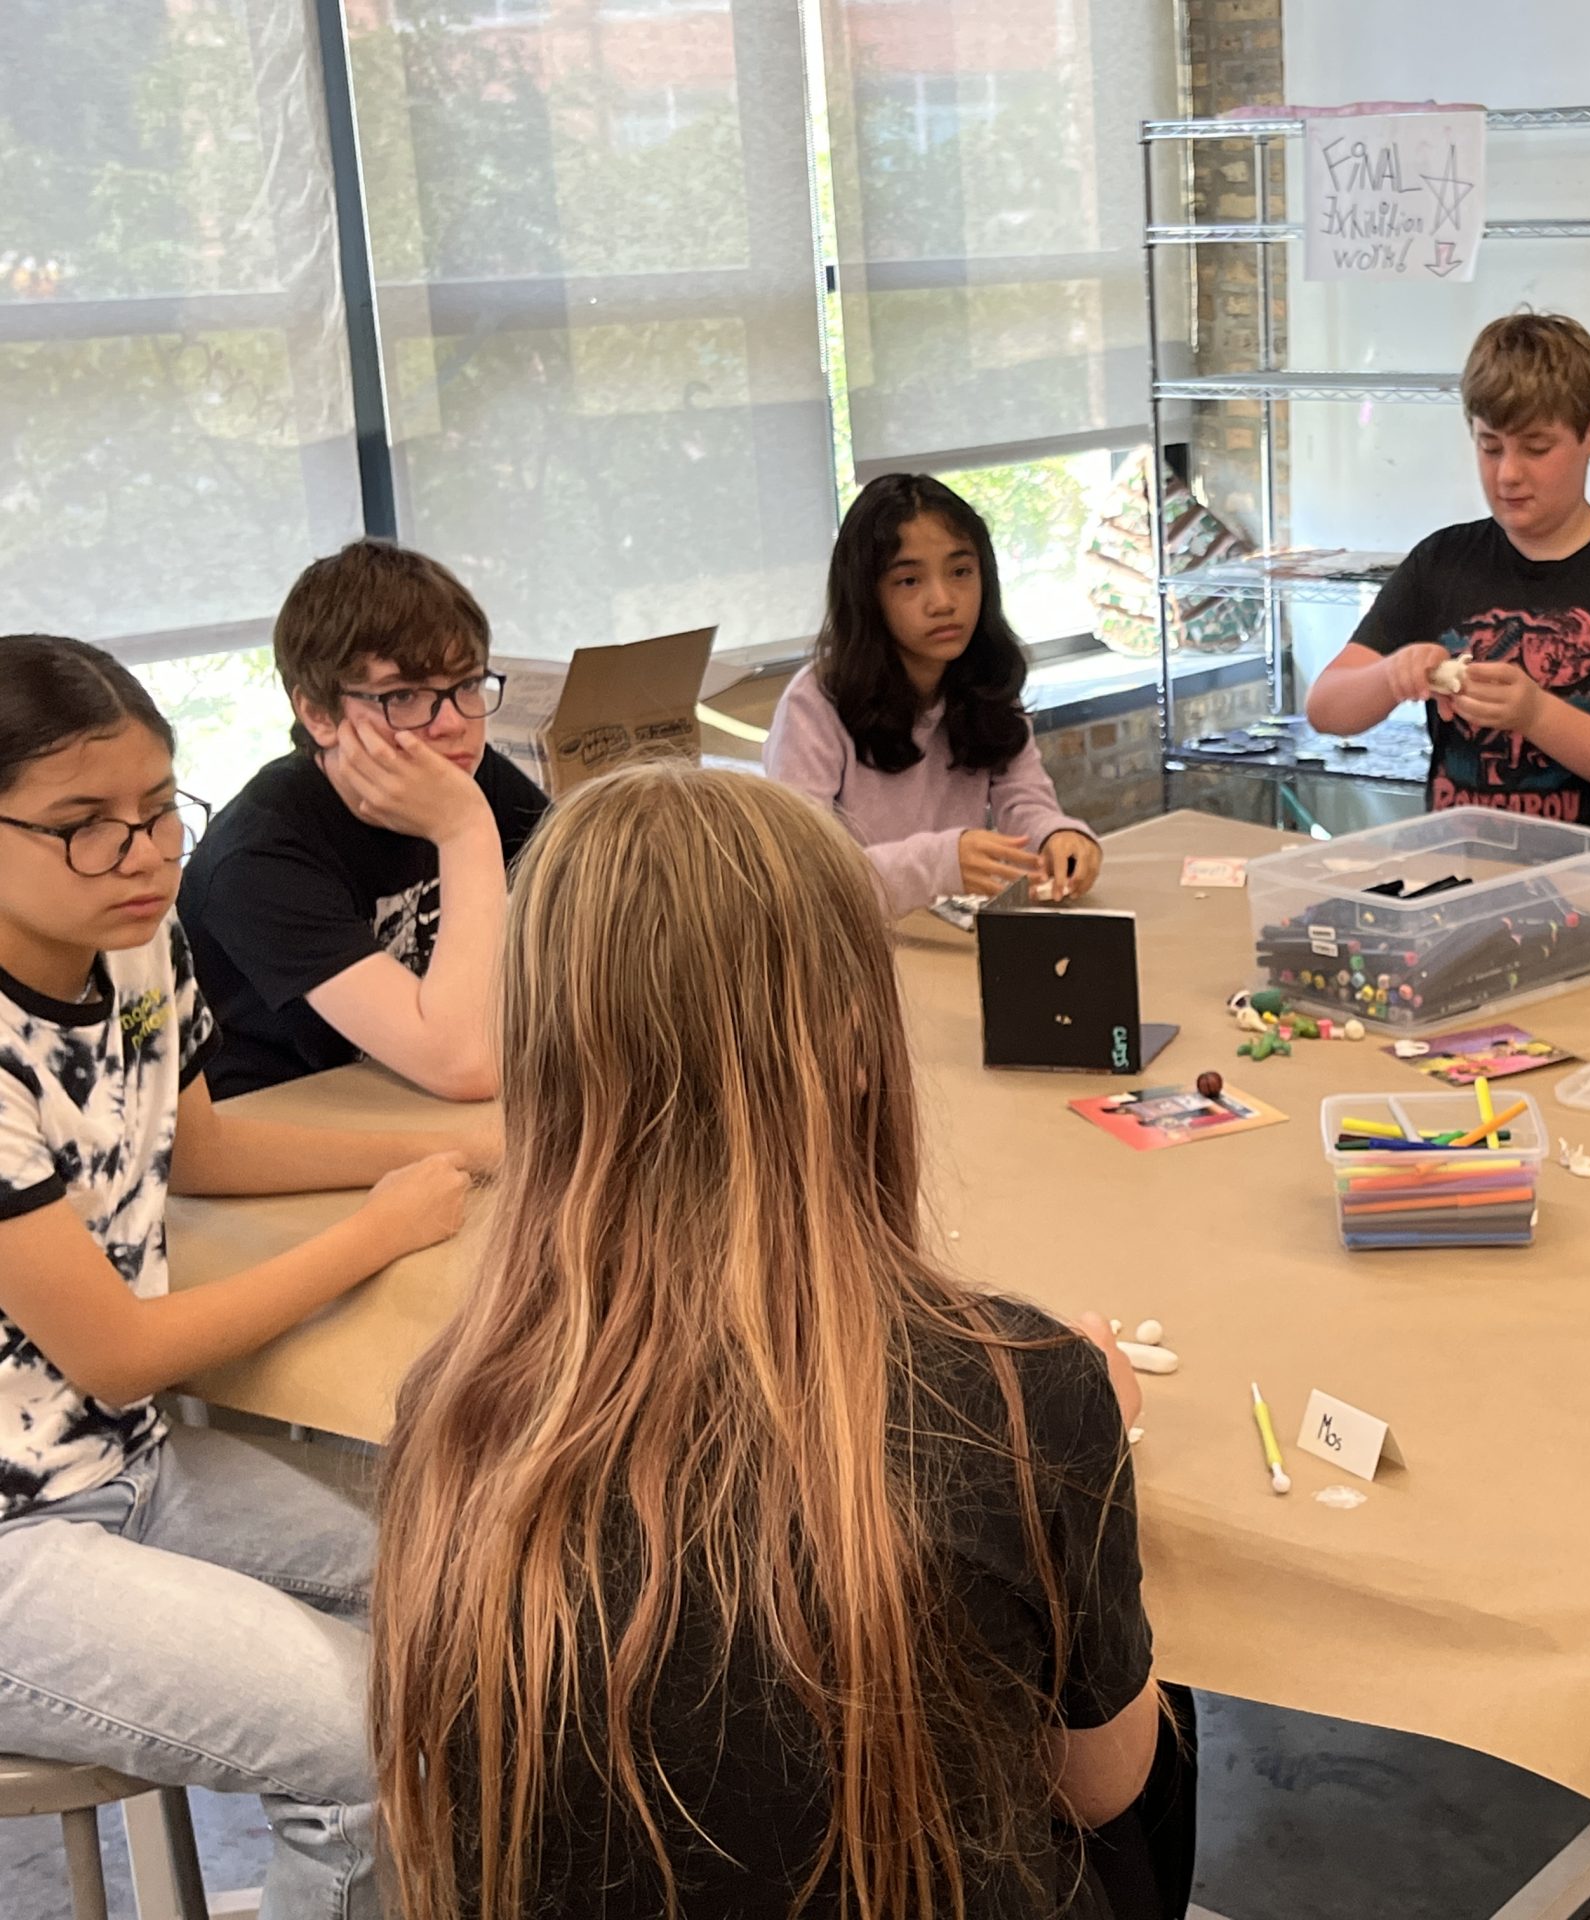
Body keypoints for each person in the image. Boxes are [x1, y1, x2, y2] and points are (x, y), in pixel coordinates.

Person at [371, 763, 1192, 1920]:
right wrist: (1068, 1406)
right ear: (857, 1040)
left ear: (543, 1055)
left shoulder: (454, 1407)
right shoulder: (1016, 1393)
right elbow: (1105, 1786)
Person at [0, 634, 484, 1920]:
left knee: (479, 1580)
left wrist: (441, 1148)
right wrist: (377, 1229)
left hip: (130, 1464)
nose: (147, 854)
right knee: (373, 1728)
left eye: (161, 810)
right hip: (16, 1540)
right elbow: (114, 1350)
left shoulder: (137, 949)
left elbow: (197, 1144)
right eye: (83, 826)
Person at [1302, 312, 1590, 883]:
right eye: (1489, 447)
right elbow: (1326, 707)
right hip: (1456, 877)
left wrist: (1536, 713)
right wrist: (1393, 675)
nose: (1508, 474)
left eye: (1536, 448)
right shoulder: (1441, 562)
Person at [179, 539, 548, 1101]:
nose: (450, 723)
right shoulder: (256, 858)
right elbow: (464, 1066)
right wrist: (464, 832)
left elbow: (594, 933)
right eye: (403, 695)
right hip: (297, 1118)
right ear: (318, 713)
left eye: (468, 685)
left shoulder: (468, 777)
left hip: (415, 1090)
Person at [764, 474, 1104, 917]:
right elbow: (803, 878)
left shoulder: (985, 676)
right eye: (909, 581)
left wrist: (1058, 837)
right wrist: (938, 862)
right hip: (851, 950)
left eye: (961, 572)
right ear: (867, 595)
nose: (943, 601)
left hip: (951, 932)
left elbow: (1023, 799)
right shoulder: (814, 703)